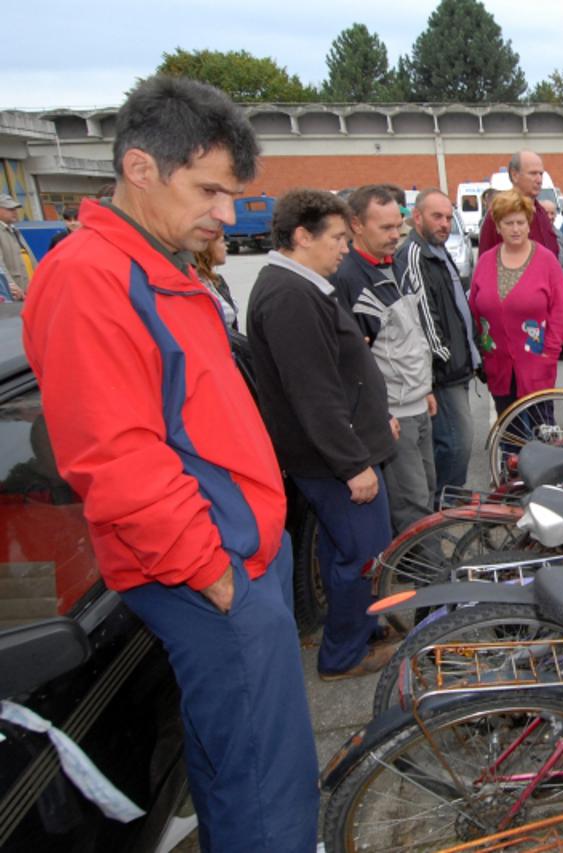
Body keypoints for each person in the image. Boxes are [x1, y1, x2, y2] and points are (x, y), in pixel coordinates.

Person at [21, 75, 318, 851]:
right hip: (208, 571)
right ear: (140, 169)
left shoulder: (149, 261)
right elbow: (112, 456)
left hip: (232, 558)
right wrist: (212, 571)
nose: (227, 212)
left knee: (247, 760)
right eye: (211, 189)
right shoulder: (92, 276)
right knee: (263, 782)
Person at [247, 188, 400, 685]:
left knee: (348, 552)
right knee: (362, 554)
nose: (343, 247)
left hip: (344, 449)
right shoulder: (288, 295)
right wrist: (353, 464)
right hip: (333, 462)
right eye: (336, 237)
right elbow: (313, 393)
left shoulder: (301, 285)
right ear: (300, 235)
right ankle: (343, 653)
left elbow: (341, 377)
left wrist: (376, 420)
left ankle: (358, 629)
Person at [332, 184, 436, 532]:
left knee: (426, 494)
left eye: (398, 226)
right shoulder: (347, 277)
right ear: (356, 225)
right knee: (412, 505)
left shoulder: (392, 265)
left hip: (417, 403)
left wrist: (424, 387)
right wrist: (380, 412)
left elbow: (407, 335)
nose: (396, 235)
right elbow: (351, 360)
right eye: (386, 228)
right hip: (395, 414)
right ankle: (425, 580)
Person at [398, 189, 480, 503]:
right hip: (442, 372)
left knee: (451, 441)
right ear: (417, 217)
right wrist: (445, 358)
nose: (445, 224)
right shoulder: (416, 255)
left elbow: (455, 307)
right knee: (457, 442)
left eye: (448, 217)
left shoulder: (438, 251)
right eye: (437, 216)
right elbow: (423, 316)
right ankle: (443, 506)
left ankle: (447, 500)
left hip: (455, 367)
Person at [470, 189, 563, 415]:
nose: (515, 229)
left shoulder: (546, 261)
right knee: (509, 435)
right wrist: (483, 351)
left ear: (528, 224)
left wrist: (549, 354)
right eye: (508, 223)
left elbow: (560, 313)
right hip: (499, 364)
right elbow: (474, 311)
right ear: (497, 226)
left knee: (540, 433)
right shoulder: (485, 261)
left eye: (520, 222)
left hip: (537, 364)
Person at [478, 149, 560, 257]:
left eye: (541, 174)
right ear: (514, 175)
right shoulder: (498, 214)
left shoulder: (542, 213)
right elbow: (486, 264)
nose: (539, 180)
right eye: (533, 173)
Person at [193, 230, 238, 331]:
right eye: (222, 241)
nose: (226, 246)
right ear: (207, 247)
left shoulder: (216, 281)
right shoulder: (193, 284)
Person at [0, 193, 34, 300]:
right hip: (15, 294)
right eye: (10, 209)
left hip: (28, 289)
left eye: (15, 209)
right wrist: (10, 285)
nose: (15, 212)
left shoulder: (14, 230)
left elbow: (30, 257)